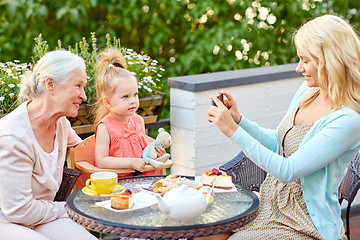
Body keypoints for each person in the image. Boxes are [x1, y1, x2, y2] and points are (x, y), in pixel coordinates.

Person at [199, 15, 360, 240]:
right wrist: (239, 121)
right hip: (267, 204)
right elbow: (279, 143)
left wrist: (232, 132)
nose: (298, 68)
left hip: (303, 221)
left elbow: (288, 170)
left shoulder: (347, 120)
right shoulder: (307, 92)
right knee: (202, 231)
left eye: (305, 60)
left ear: (329, 60)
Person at [0, 50, 97, 240]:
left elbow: (86, 151)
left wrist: (142, 150)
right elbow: (19, 211)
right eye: (78, 85)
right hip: (7, 220)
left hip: (43, 216)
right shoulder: (13, 137)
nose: (84, 96)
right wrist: (72, 206)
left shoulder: (60, 123)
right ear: (50, 84)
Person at [94, 48, 166, 177]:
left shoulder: (138, 121)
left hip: (142, 179)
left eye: (135, 95)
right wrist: (131, 162)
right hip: (116, 184)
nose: (133, 101)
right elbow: (101, 160)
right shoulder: (105, 127)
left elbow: (143, 151)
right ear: (107, 102)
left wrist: (154, 151)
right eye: (125, 97)